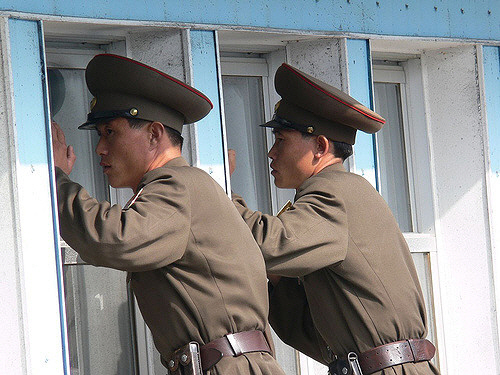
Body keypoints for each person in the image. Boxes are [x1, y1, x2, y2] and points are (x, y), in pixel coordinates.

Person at [52, 53, 285, 375]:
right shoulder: (174, 188)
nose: (100, 149)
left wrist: (53, 179)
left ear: (153, 134)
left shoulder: (178, 185)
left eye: (110, 132)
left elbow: (114, 238)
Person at [230, 63, 439, 375]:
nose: (271, 153)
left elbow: (269, 245)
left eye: (281, 139)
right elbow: (310, 331)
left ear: (320, 146)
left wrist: (220, 192)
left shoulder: (333, 194)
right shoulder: (335, 193)